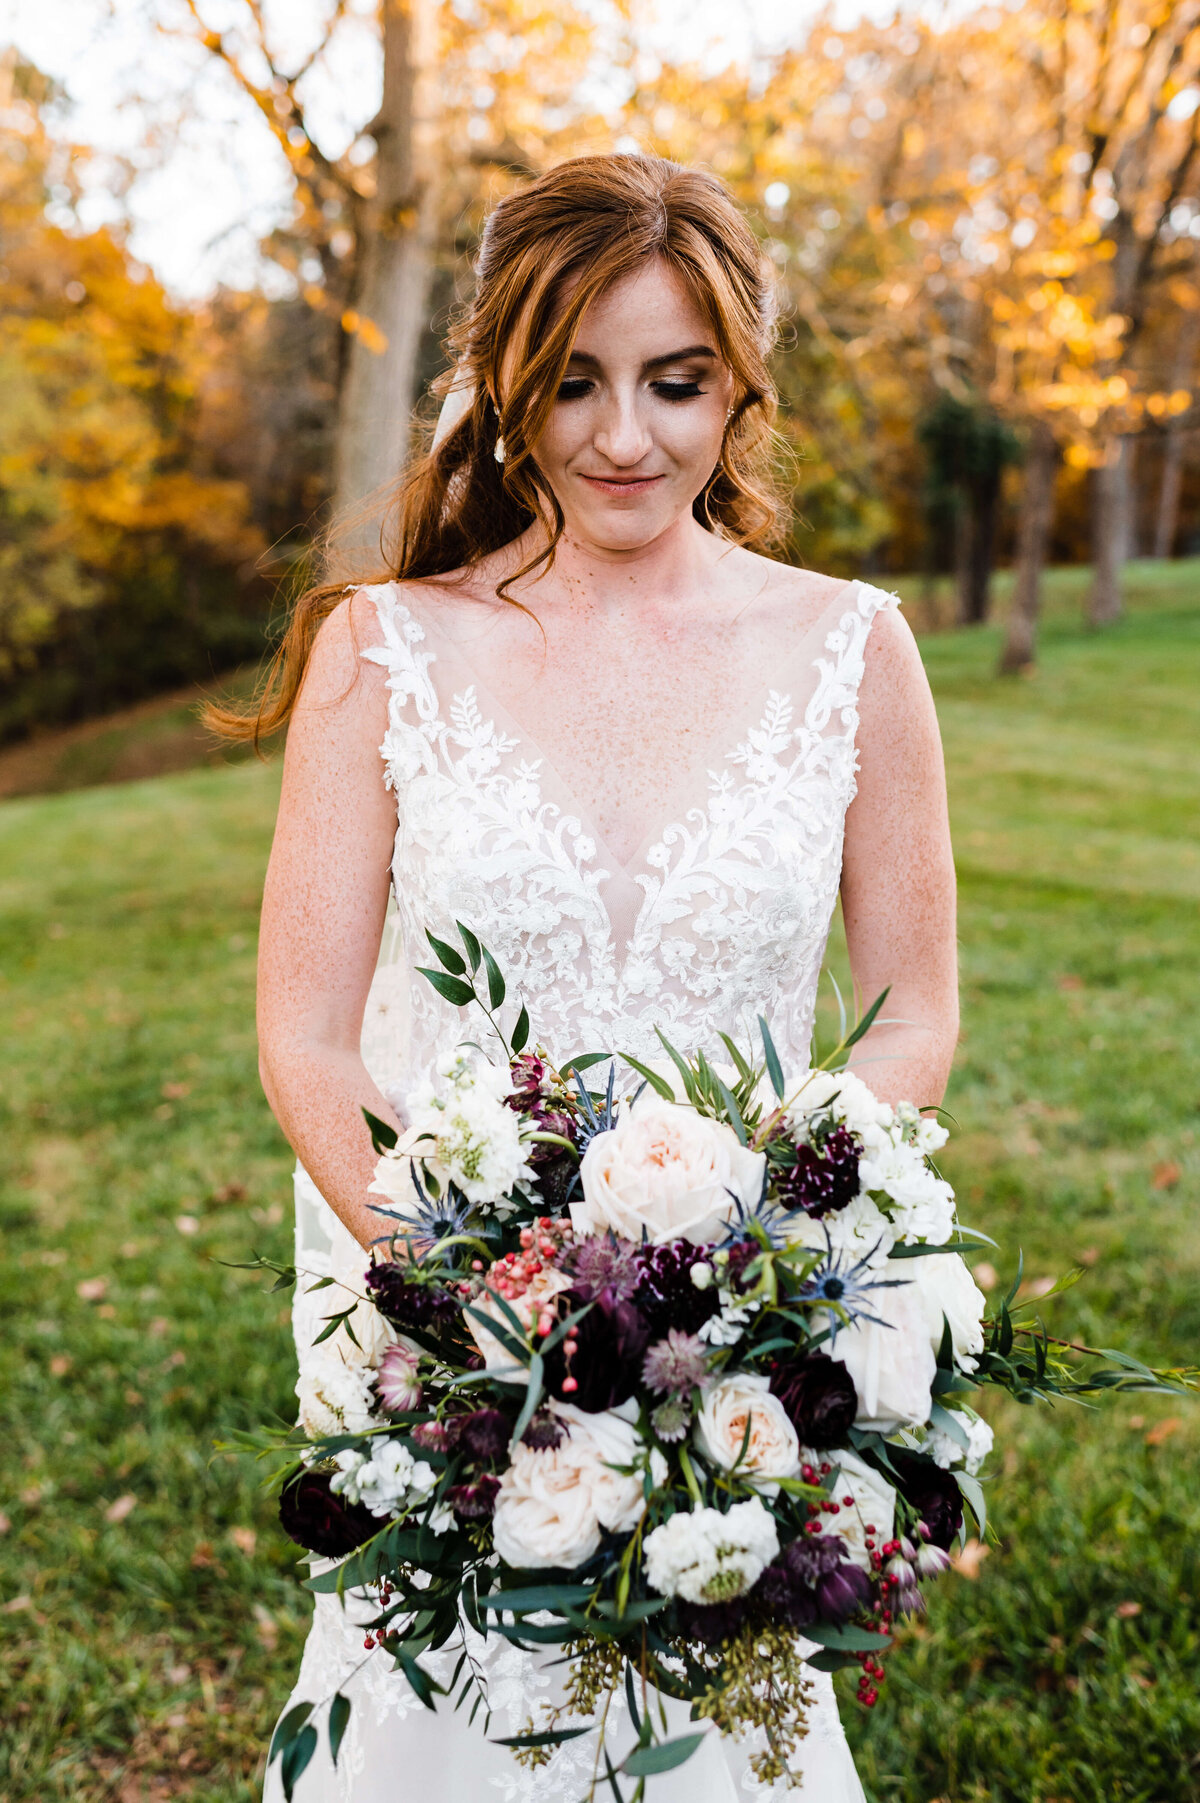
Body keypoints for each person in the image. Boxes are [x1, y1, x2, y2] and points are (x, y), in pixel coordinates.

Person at [244, 152, 958, 1802]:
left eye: (674, 381)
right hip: (456, 1341)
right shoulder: (381, 647)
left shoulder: (856, 648)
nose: (622, 437)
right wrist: (471, 1295)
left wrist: (762, 1253)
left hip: (740, 1342)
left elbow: (915, 1007)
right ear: (503, 385)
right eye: (571, 382)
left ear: (740, 387)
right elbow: (304, 1032)